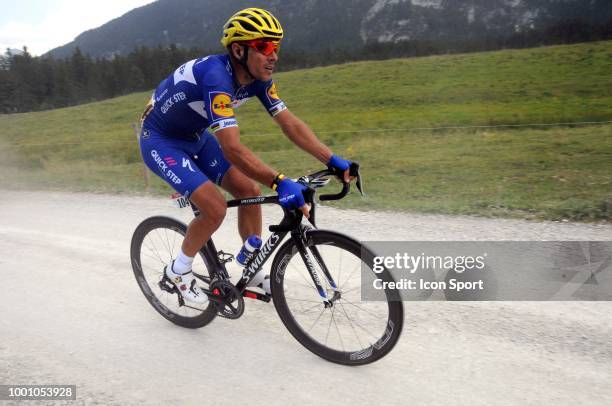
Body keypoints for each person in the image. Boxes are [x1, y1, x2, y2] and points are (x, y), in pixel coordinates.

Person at [139, 8, 354, 304]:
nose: (273, 55)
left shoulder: (259, 79)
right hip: (161, 141)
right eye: (264, 47)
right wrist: (279, 182)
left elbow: (289, 123)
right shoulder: (217, 77)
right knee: (214, 207)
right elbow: (232, 148)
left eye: (276, 47)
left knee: (249, 190)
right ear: (239, 50)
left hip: (196, 137)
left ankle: (250, 270)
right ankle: (178, 270)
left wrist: (331, 159)